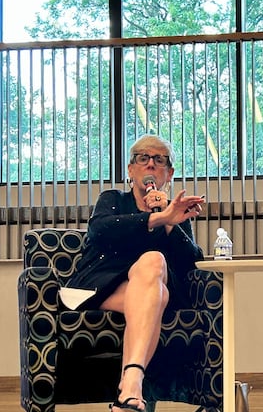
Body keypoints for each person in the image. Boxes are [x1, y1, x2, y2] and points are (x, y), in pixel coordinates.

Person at [66, 135, 205, 412]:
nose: (151, 165)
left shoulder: (174, 211)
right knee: (155, 284)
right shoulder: (113, 199)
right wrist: (158, 219)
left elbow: (192, 264)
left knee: (153, 270)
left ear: (169, 174)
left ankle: (129, 392)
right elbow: (101, 231)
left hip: (148, 292)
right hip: (99, 288)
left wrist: (170, 223)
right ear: (131, 170)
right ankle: (131, 384)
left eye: (159, 160)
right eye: (143, 158)